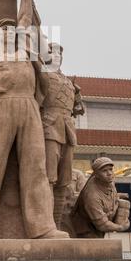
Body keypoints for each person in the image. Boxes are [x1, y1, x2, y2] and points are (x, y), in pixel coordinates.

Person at [0, 0, 69, 240]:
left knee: (35, 168)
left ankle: (42, 227)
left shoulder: (26, 52)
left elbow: (26, 20)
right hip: (1, 109)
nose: (10, 33)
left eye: (12, 30)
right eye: (4, 30)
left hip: (29, 109)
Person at [40, 44, 85, 228]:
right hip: (49, 126)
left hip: (68, 129)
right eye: (52, 52)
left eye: (59, 53)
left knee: (64, 180)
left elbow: (78, 109)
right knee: (49, 177)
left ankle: (56, 224)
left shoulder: (68, 82)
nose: (56, 55)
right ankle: (46, 224)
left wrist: (78, 98)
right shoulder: (42, 76)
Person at [71, 157, 130, 238]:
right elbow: (102, 225)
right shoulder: (92, 195)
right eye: (104, 170)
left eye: (110, 169)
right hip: (86, 230)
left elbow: (110, 195)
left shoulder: (109, 181)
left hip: (98, 227)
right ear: (96, 175)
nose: (109, 173)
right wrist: (121, 227)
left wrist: (118, 196)